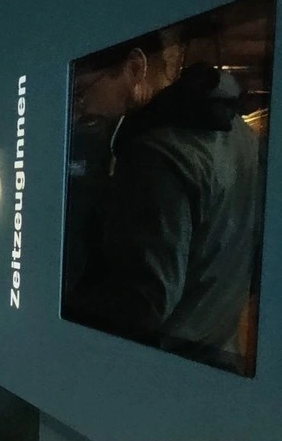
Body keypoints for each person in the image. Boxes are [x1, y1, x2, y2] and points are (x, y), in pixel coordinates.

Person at [64, 31, 264, 374]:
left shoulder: (157, 155)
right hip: (216, 353)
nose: (79, 109)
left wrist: (59, 299)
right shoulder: (237, 132)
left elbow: (144, 301)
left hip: (164, 365)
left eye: (81, 91)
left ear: (134, 67)